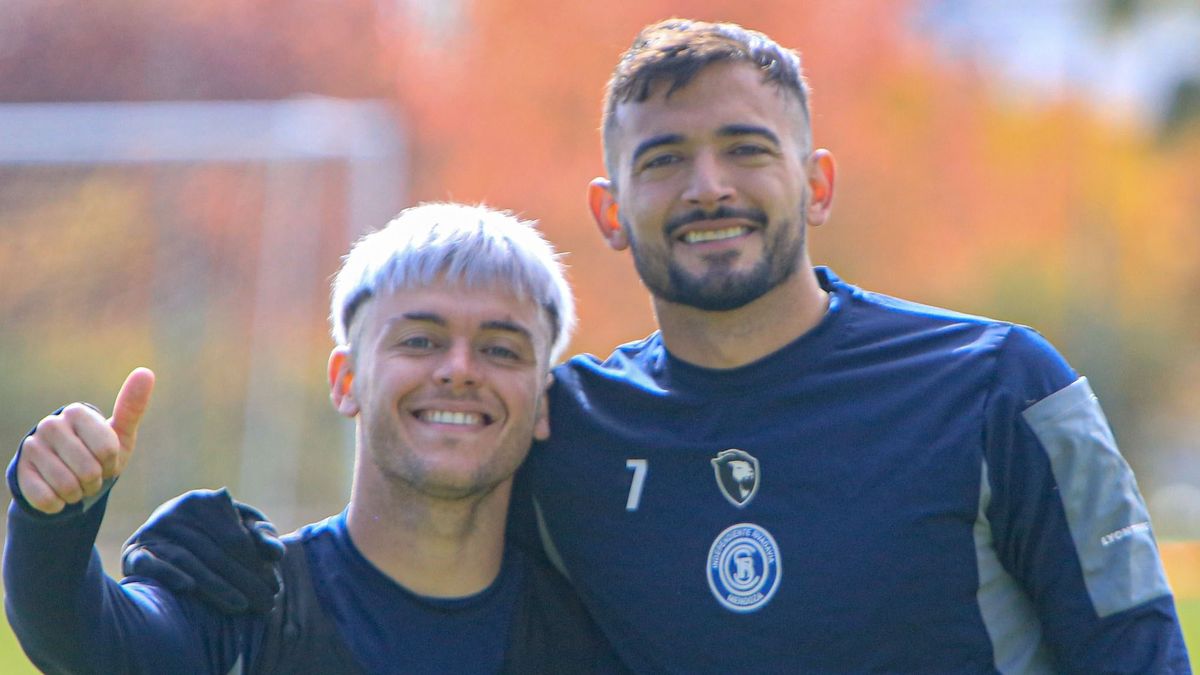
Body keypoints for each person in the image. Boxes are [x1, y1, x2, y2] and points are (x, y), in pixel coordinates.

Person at [120, 19, 1193, 673]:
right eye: (665, 159)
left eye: (746, 149)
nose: (708, 187)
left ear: (816, 181)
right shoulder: (568, 428)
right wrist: (246, 562)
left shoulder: (1004, 386)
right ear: (610, 209)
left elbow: (1138, 651)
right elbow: (421, 521)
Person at [3, 203, 623, 674]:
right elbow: (84, 638)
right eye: (420, 340)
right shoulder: (243, 603)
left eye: (500, 349)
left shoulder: (608, 632)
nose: (459, 370)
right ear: (346, 381)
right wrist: (55, 520)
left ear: (543, 404)